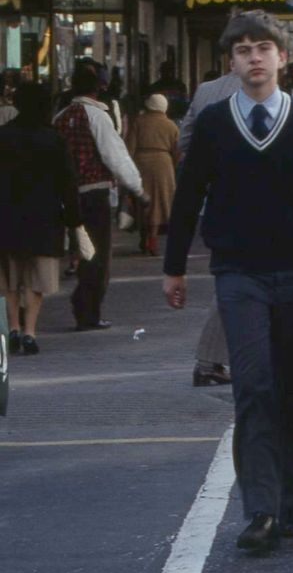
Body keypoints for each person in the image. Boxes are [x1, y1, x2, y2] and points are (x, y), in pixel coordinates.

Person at [163, 10, 293, 555]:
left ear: (282, 57)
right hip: (237, 272)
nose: (254, 58)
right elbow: (189, 195)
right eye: (243, 50)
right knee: (253, 385)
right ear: (233, 62)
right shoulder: (217, 122)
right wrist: (174, 267)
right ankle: (261, 509)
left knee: (292, 386)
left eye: (263, 48)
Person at [54, 65, 146, 331]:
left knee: (82, 250)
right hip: (95, 193)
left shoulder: (60, 116)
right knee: (98, 256)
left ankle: (84, 305)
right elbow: (114, 155)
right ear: (99, 87)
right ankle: (88, 310)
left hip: (67, 195)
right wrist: (138, 188)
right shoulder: (97, 116)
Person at [0, 84, 83, 356]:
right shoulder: (54, 139)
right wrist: (74, 219)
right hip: (44, 219)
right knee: (37, 281)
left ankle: (12, 326)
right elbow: (68, 183)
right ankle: (30, 332)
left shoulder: (4, 136)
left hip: (7, 217)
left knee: (10, 278)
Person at [178, 65, 243, 388]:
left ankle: (216, 360)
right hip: (251, 205)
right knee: (238, 283)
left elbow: (184, 139)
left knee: (234, 280)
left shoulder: (205, 91)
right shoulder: (263, 94)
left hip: (213, 202)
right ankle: (209, 361)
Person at [127, 94, 180, 257]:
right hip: (163, 165)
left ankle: (144, 238)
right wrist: (172, 165)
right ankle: (153, 238)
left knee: (142, 200)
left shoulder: (138, 121)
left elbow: (129, 147)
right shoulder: (171, 125)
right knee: (159, 202)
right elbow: (177, 151)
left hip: (140, 163)